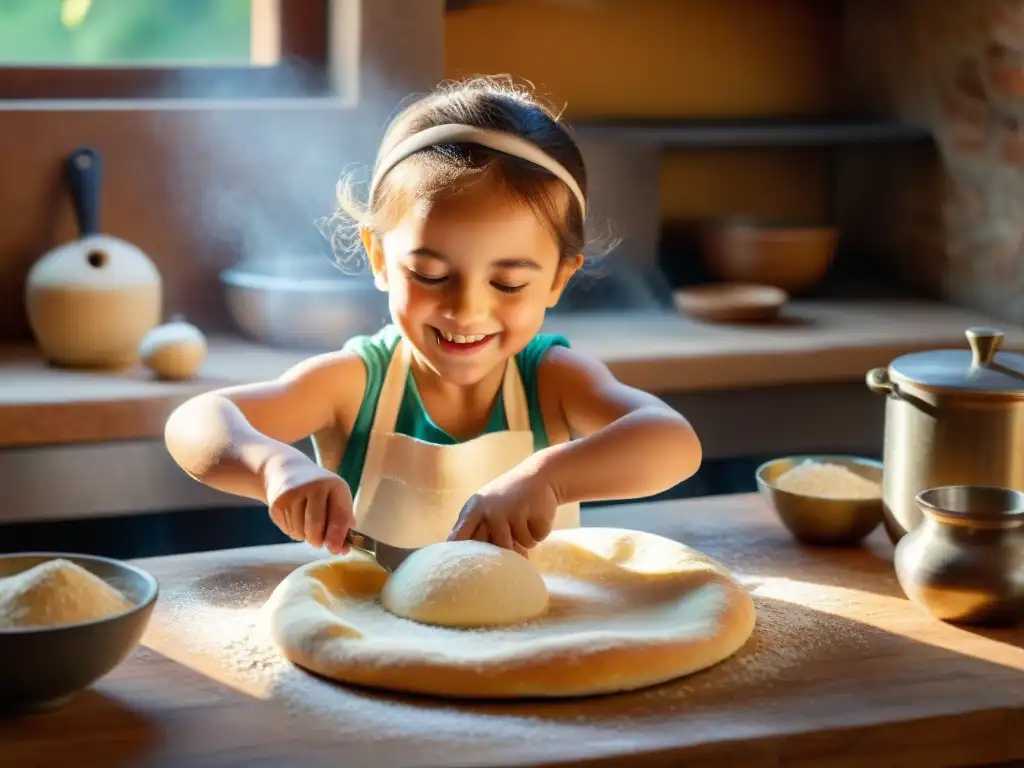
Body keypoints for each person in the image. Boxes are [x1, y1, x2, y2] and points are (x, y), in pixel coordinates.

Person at [164, 76, 702, 558]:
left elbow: (675, 442)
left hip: (534, 648)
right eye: (429, 274)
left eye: (509, 283)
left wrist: (551, 479)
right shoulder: (357, 386)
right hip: (376, 648)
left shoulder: (552, 381)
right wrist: (274, 468)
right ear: (378, 258)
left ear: (559, 278)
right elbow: (198, 422)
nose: (466, 308)